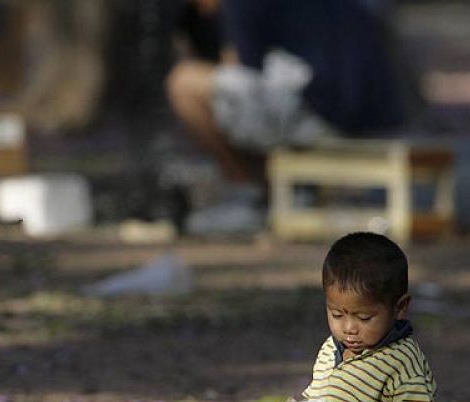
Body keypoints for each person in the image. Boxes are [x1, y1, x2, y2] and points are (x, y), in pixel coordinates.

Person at [118, 232, 436, 402]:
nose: (349, 328)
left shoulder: (402, 359)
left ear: (400, 307)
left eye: (364, 318)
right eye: (337, 314)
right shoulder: (332, 349)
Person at [167, 0, 407, 233]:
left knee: (185, 83)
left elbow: (241, 72)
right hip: (373, 111)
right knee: (246, 93)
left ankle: (250, 196)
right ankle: (290, 191)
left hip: (328, 111)